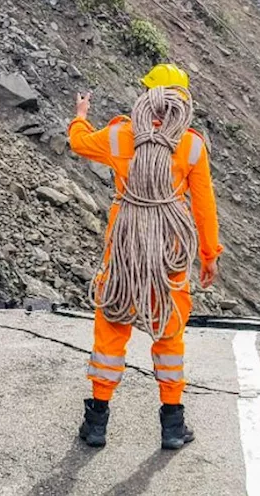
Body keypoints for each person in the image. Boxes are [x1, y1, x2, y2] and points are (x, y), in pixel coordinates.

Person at [67, 64, 224, 450]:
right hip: (167, 251)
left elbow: (80, 144)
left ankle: (97, 422)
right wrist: (208, 254)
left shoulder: (121, 134)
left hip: (125, 247)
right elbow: (204, 205)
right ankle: (172, 425)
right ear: (183, 100)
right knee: (169, 332)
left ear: (148, 95)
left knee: (112, 325)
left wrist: (81, 116)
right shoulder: (191, 145)